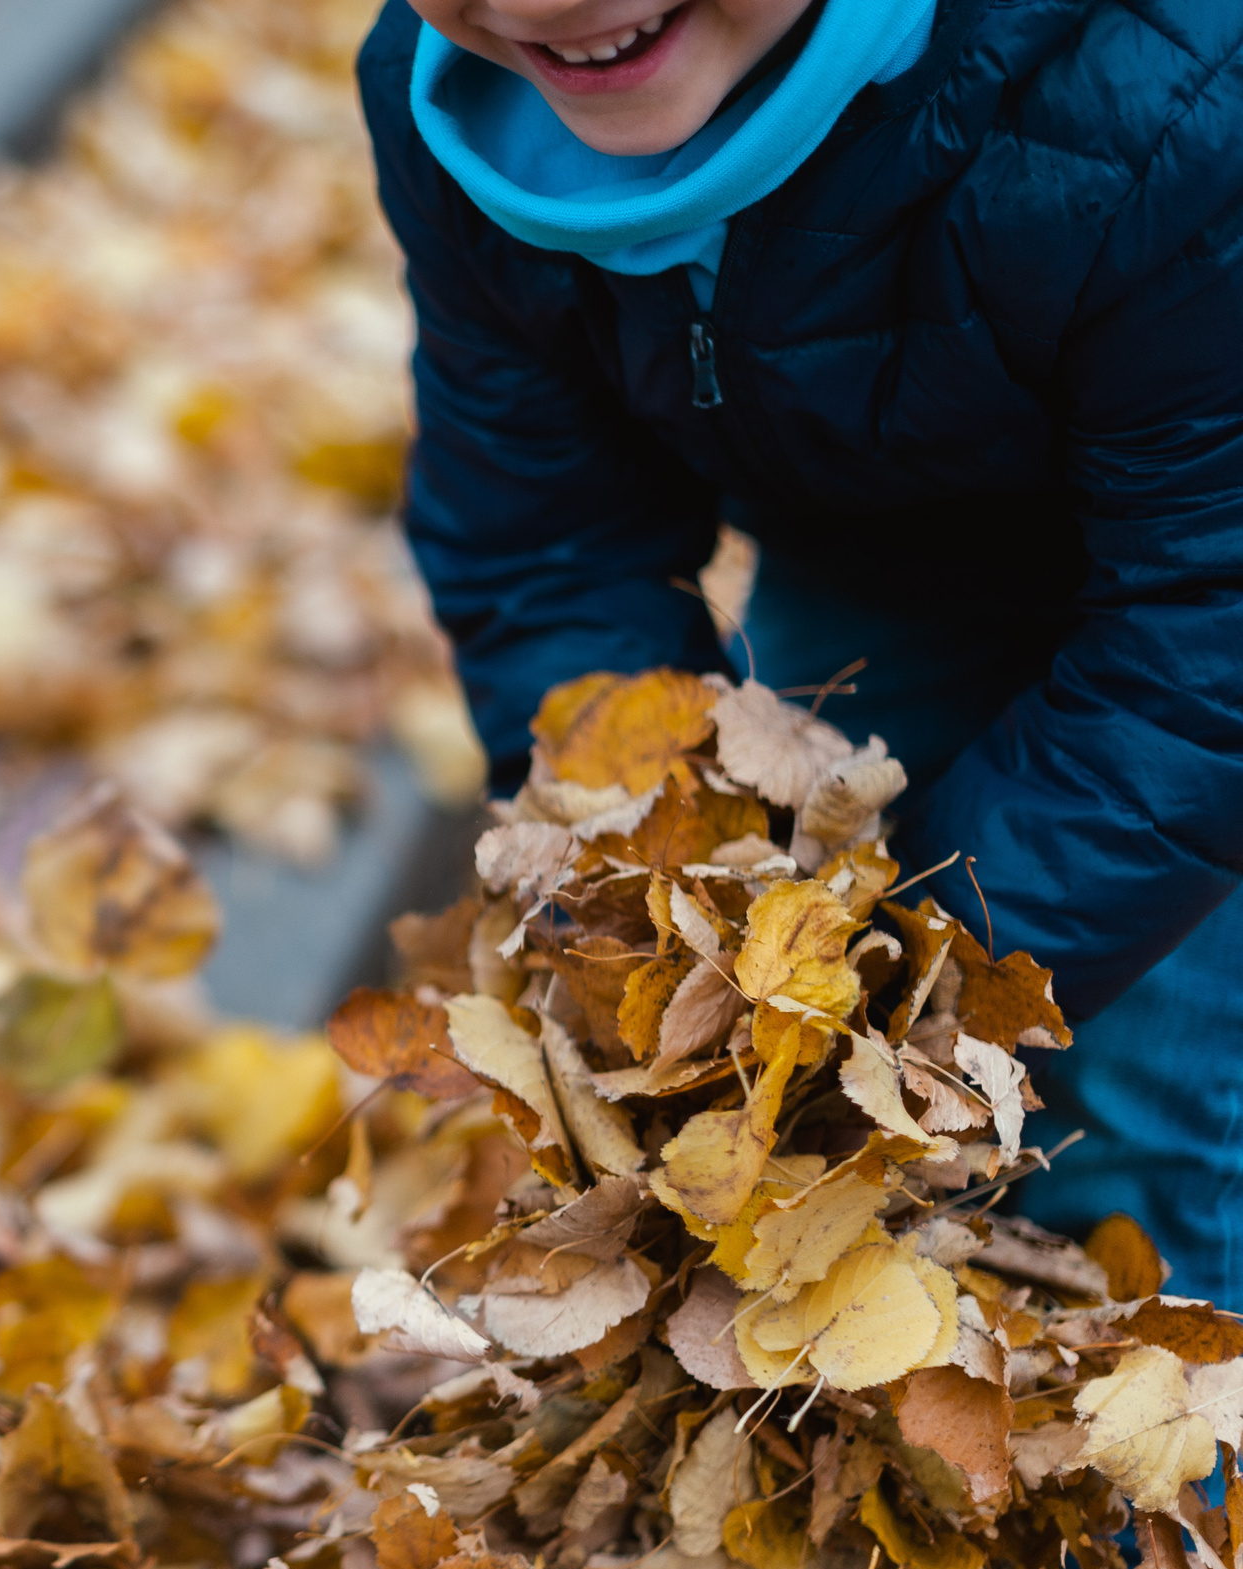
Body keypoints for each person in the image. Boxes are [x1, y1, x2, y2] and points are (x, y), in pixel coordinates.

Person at [357, 0, 1243, 1302]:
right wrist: (633, 872)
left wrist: (924, 966)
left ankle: (1166, 1464)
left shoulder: (1163, 96)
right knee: (798, 1027)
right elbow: (545, 539)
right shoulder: (461, 114)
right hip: (897, 546)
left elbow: (1209, 625)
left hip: (1208, 603)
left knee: (1130, 1094)